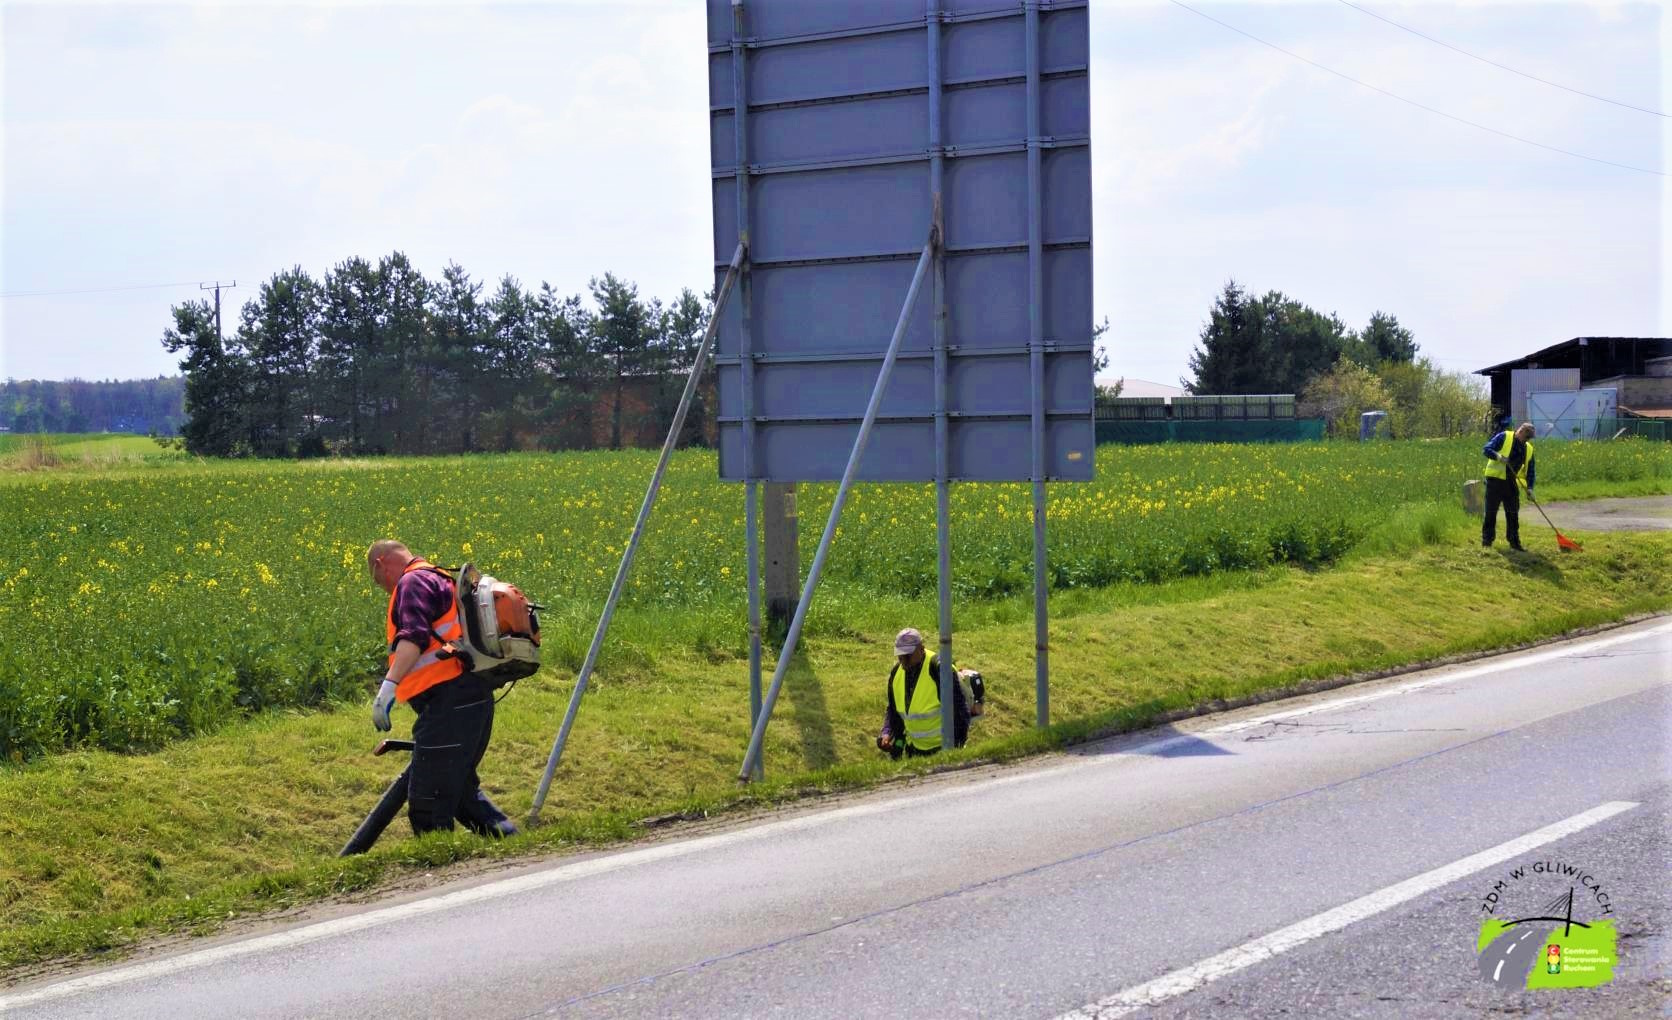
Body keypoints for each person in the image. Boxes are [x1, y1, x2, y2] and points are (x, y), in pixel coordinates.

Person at [367, 539, 516, 838]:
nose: (383, 587)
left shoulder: (412, 581)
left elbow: (414, 637)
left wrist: (388, 688)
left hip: (450, 702)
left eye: (377, 579)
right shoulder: (439, 577)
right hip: (471, 699)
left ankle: (437, 871)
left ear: (381, 564)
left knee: (428, 803)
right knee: (459, 794)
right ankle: (512, 850)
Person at [877, 628, 971, 759]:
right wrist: (887, 733)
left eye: (908, 656)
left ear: (921, 649)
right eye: (900, 656)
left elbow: (960, 712)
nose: (903, 662)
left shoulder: (939, 669)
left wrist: (955, 750)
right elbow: (893, 711)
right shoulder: (896, 673)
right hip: (914, 752)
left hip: (944, 750)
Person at [1481, 422, 1536, 551]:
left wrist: (1530, 488)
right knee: (1491, 512)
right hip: (1495, 480)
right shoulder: (1504, 436)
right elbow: (1486, 449)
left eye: (1529, 438)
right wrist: (1498, 457)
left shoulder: (1528, 449)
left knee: (1513, 513)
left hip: (1511, 482)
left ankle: (1514, 542)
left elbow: (1531, 471)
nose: (1527, 440)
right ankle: (1487, 541)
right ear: (1520, 431)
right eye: (1526, 437)